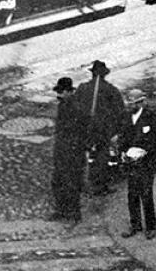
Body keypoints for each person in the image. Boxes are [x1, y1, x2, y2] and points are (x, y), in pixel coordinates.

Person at [72, 60, 126, 196]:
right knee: (102, 156)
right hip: (103, 130)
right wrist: (117, 131)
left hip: (84, 128)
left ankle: (79, 184)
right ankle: (99, 186)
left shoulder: (82, 88)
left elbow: (74, 108)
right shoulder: (111, 90)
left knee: (81, 155)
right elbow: (120, 112)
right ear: (104, 75)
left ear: (92, 74)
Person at [120, 89, 156, 240]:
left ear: (141, 102)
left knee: (146, 194)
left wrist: (144, 152)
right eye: (129, 103)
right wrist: (123, 152)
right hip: (131, 162)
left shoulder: (151, 117)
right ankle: (135, 224)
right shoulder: (126, 117)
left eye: (133, 103)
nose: (130, 106)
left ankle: (151, 227)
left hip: (147, 163)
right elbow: (123, 137)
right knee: (132, 194)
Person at [50, 77, 86, 224]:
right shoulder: (63, 105)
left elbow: (82, 131)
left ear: (69, 92)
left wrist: (75, 150)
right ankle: (61, 210)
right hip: (62, 151)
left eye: (61, 92)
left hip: (73, 153)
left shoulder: (76, 107)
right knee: (58, 181)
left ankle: (74, 213)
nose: (58, 95)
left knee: (72, 183)